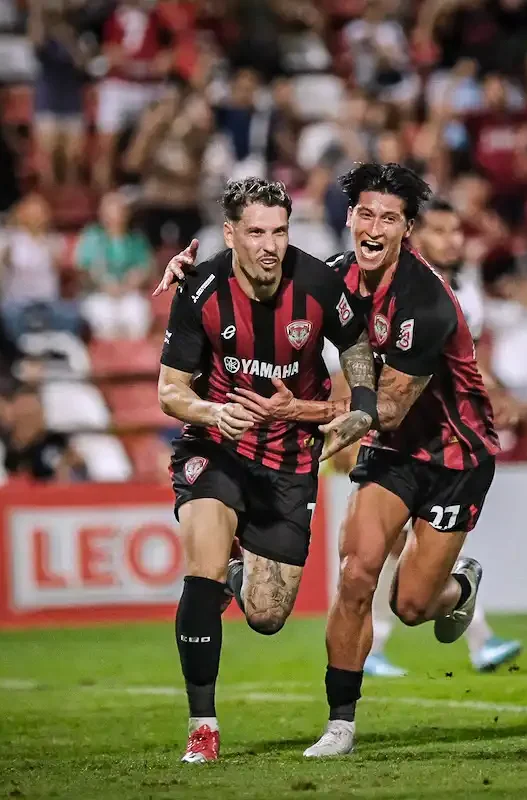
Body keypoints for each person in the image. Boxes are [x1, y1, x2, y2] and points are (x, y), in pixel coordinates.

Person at [231, 163, 500, 758]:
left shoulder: (427, 302)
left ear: (407, 229)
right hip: (393, 454)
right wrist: (192, 280)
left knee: (410, 605)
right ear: (350, 218)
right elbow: (258, 291)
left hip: (455, 456)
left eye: (390, 218)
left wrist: (294, 413)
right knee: (356, 572)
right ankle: (341, 725)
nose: (375, 227)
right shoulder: (332, 277)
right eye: (366, 214)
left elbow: (388, 408)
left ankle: (460, 588)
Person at [157, 178, 376, 764]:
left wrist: (361, 406)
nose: (269, 245)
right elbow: (170, 391)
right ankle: (202, 727)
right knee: (200, 575)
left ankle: (238, 572)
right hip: (217, 446)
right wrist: (210, 411)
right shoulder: (200, 290)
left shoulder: (320, 286)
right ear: (230, 234)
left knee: (267, 617)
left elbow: (356, 351)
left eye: (279, 231)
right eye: (255, 232)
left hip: (288, 460)